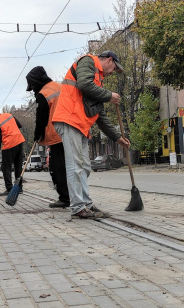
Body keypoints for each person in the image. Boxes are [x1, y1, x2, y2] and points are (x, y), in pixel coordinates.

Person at [51, 51, 131, 219]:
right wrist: (109, 96)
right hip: (69, 119)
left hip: (79, 125)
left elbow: (100, 115)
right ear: (110, 60)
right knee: (75, 165)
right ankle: (78, 207)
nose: (111, 73)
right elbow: (83, 85)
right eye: (114, 69)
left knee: (85, 167)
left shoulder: (97, 82)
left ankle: (86, 204)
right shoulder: (88, 62)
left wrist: (117, 138)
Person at [26, 66, 69, 209]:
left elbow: (41, 119)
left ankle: (65, 198)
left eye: (32, 85)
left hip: (56, 135)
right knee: (70, 167)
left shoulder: (43, 94)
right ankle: (74, 195)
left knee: (57, 169)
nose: (32, 89)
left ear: (36, 81)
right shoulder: (60, 87)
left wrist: (37, 136)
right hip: (70, 131)